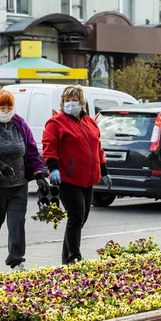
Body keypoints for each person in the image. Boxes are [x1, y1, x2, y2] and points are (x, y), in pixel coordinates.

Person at [0, 90, 49, 276]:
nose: (5, 110)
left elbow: (31, 151)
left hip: (18, 186)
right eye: (2, 107)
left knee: (17, 225)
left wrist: (39, 174)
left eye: (9, 107)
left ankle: (16, 261)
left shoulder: (20, 124)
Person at [41, 85, 112, 265]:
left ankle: (67, 258)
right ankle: (74, 256)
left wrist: (104, 171)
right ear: (62, 102)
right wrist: (53, 168)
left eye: (75, 100)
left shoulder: (90, 122)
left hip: (88, 179)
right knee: (76, 216)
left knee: (81, 218)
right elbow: (49, 146)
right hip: (68, 179)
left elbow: (98, 148)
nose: (71, 103)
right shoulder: (55, 122)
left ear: (82, 103)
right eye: (67, 100)